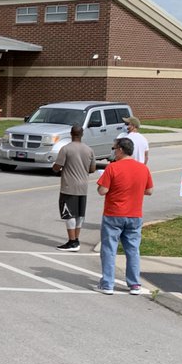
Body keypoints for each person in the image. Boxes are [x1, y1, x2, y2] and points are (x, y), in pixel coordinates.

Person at [95, 137, 154, 296]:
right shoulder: (143, 168)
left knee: (109, 249)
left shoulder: (112, 168)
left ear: (120, 149)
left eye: (114, 148)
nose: (113, 151)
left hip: (114, 214)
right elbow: (149, 191)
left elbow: (102, 191)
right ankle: (134, 284)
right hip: (135, 214)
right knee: (133, 250)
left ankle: (108, 283)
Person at [51, 124, 96, 251]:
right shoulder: (89, 150)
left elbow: (57, 167)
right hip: (83, 186)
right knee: (79, 215)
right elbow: (92, 169)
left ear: (71, 134)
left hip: (69, 186)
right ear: (82, 134)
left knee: (69, 214)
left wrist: (55, 166)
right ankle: (76, 239)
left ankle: (72, 242)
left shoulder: (66, 149)